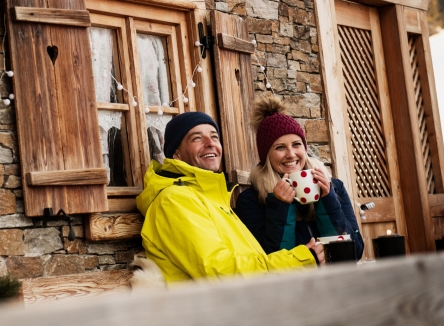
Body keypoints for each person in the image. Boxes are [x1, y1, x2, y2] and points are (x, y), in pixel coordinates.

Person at [136, 111, 324, 283]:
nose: (210, 143)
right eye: (196, 138)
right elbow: (220, 271)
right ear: (176, 154)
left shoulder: (214, 199)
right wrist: (302, 259)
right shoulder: (174, 200)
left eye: (214, 137)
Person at [235, 96, 364, 261]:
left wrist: (327, 199)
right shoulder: (251, 200)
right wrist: (280, 206)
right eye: (280, 147)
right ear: (266, 156)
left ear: (305, 148)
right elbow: (269, 261)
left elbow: (355, 251)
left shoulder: (334, 187)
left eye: (297, 144)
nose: (291, 154)